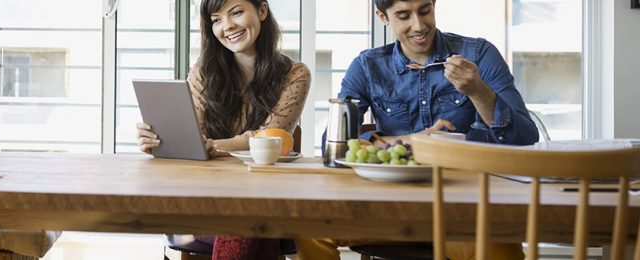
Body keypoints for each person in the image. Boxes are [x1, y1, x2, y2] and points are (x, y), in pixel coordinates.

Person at [311, 0, 538, 259]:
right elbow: (333, 142)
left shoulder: (479, 54)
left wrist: (479, 91)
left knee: (500, 246)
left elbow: (526, 139)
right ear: (383, 17)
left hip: (464, 210)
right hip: (387, 208)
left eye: (424, 11)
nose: (418, 26)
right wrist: (410, 140)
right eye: (404, 16)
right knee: (309, 228)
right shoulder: (367, 66)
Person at [136, 0, 311, 259]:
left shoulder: (295, 74)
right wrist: (159, 140)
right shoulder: (202, 73)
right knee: (249, 223)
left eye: (236, 12)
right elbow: (192, 137)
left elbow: (268, 139)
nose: (226, 26)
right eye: (216, 19)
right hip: (206, 198)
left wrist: (214, 147)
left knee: (247, 212)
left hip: (268, 197)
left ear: (262, 11)